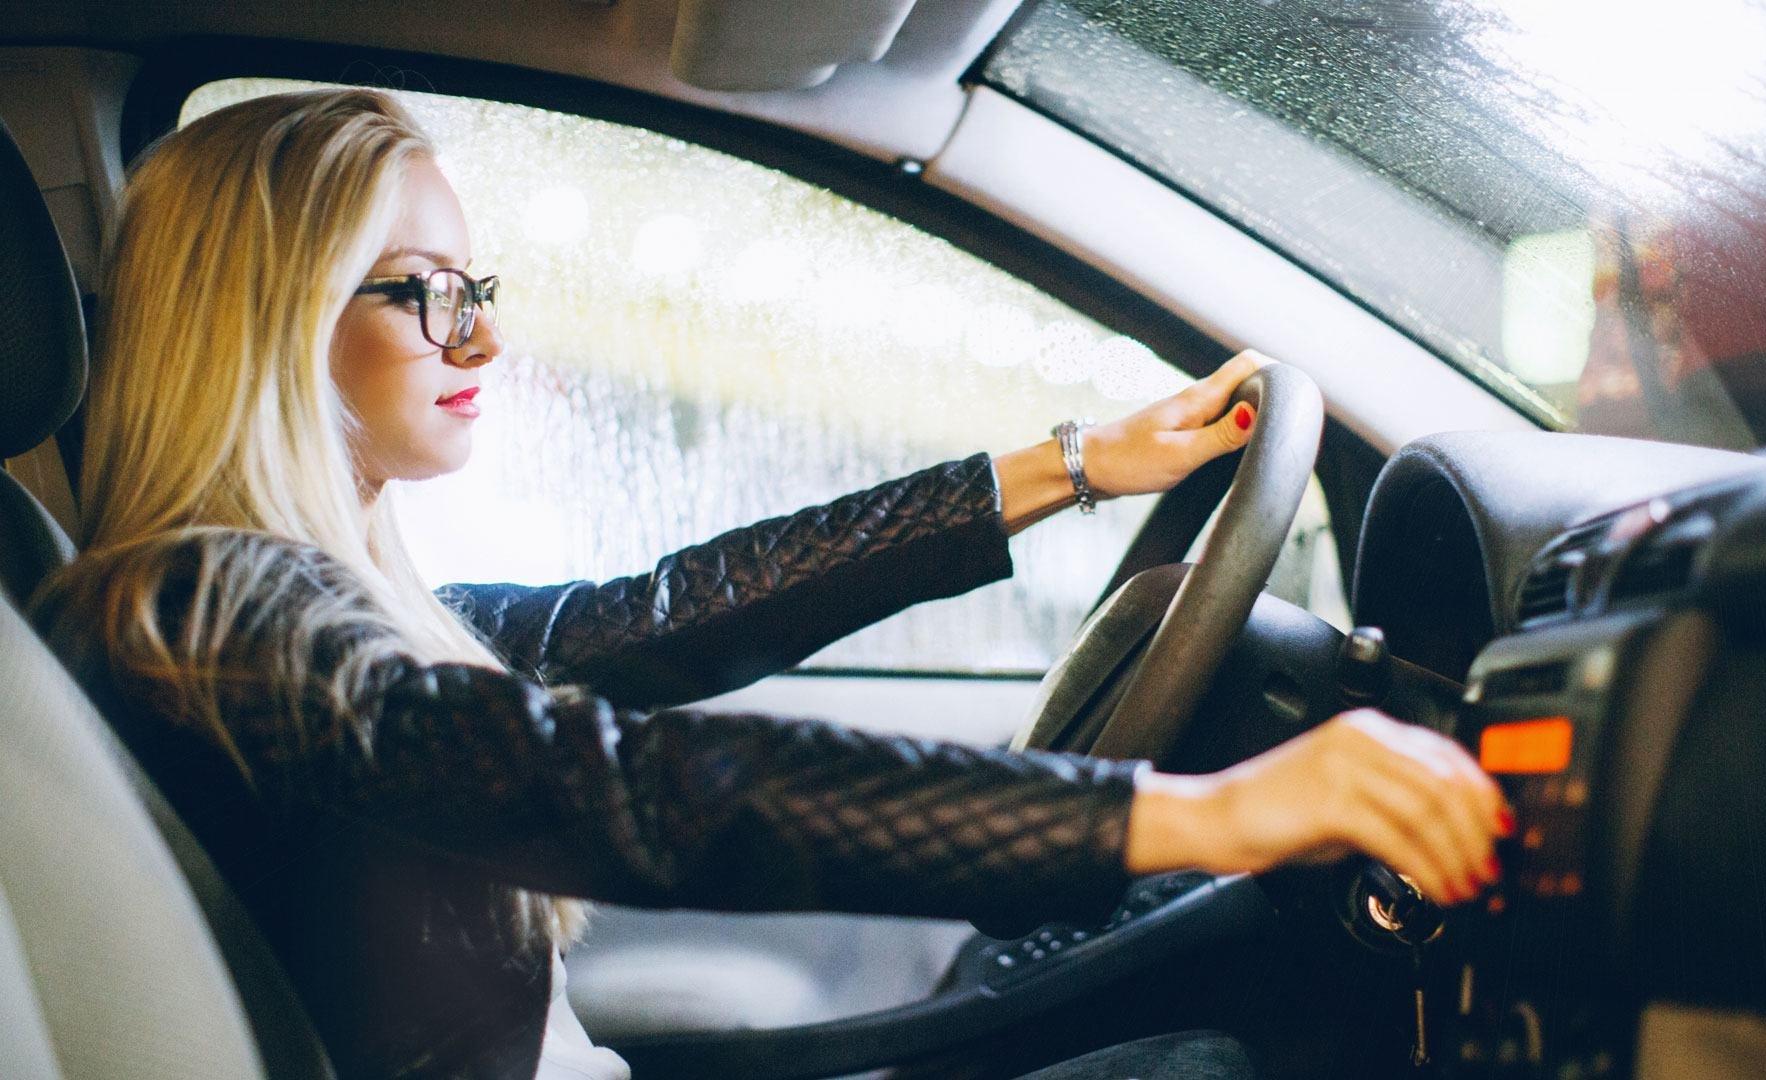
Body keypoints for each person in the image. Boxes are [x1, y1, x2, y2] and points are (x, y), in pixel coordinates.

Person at [28, 89, 1509, 1080]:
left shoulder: (319, 608)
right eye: (427, 295)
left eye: (480, 292)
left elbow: (672, 611)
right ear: (268, 318)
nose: (481, 341)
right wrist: (1207, 813)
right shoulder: (202, 621)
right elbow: (635, 794)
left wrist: (1075, 464)